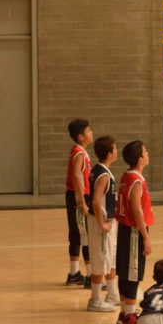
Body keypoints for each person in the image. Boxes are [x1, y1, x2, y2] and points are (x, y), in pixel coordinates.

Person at [115, 141, 153, 324]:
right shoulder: (136, 180)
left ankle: (124, 312)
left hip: (124, 228)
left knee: (125, 271)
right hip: (133, 231)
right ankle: (129, 315)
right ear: (140, 159)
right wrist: (145, 236)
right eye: (146, 152)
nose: (148, 154)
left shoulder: (125, 176)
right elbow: (136, 210)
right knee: (132, 272)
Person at [86, 136, 121, 312]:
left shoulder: (101, 169)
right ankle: (95, 300)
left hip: (109, 221)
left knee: (110, 257)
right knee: (100, 260)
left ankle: (113, 294)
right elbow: (95, 201)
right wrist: (101, 224)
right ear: (109, 153)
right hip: (101, 223)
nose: (117, 151)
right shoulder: (103, 174)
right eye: (115, 149)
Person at [65, 119, 93, 287]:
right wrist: (82, 201)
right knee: (85, 235)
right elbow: (76, 176)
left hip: (74, 195)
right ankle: (90, 275)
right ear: (81, 136)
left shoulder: (78, 150)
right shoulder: (79, 152)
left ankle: (74, 273)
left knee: (77, 235)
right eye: (89, 131)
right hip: (78, 196)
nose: (92, 133)